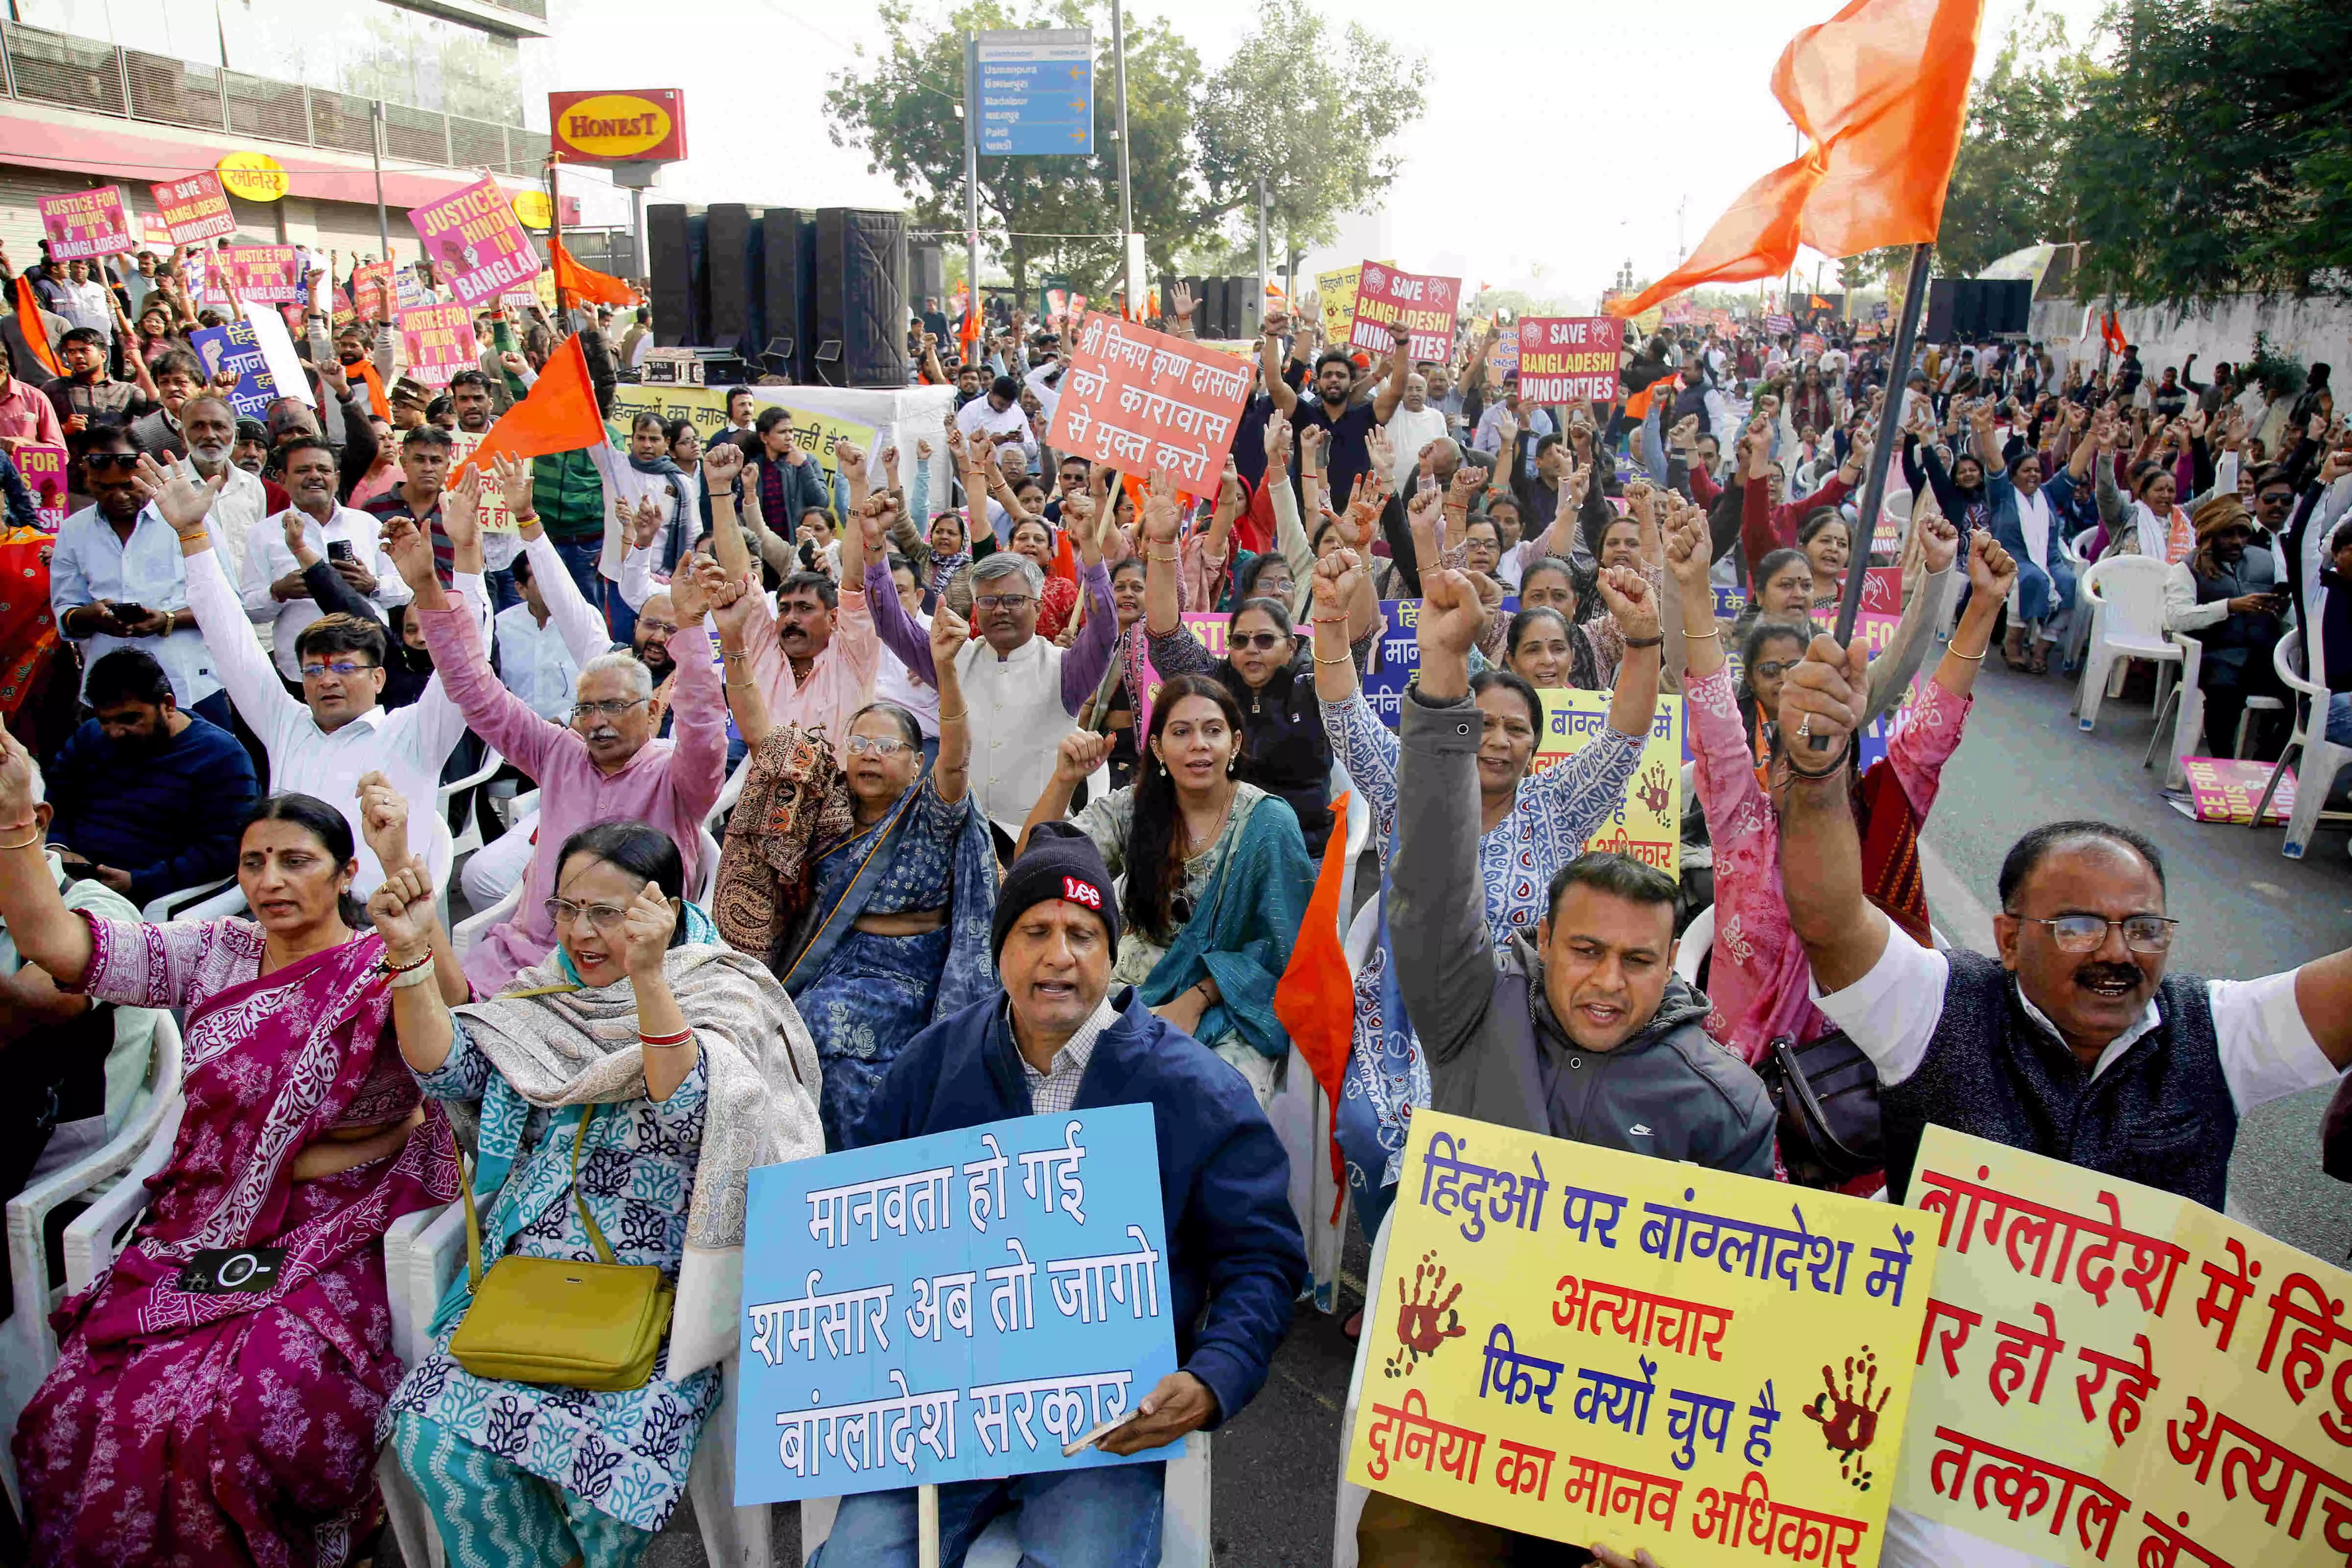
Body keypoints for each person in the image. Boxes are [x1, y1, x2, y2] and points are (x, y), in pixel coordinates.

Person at [1363, 534, 1772, 1563]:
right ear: (1539, 941)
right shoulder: (1471, 1006)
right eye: (1583, 950)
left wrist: (1670, 1500)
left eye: (1638, 960)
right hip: (1462, 1404)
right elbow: (1435, 872)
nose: (1605, 981)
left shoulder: (1725, 1105)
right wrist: (1446, 674)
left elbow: (1742, 1317)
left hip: (1629, 1443)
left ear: (1671, 959)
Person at [0, 761, 461, 1568]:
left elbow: (458, 1046)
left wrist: (412, 910)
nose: (271, 881)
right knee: (83, 1403)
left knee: (243, 1407)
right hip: (204, 1223)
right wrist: (14, 826)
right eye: (254, 862)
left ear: (346, 872)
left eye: (297, 861)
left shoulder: (375, 962)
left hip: (337, 1230)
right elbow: (57, 946)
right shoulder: (216, 952)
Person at [822, 824, 1307, 1567]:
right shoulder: (930, 1070)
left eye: (1083, 933)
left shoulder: (1196, 1091)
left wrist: (1212, 1377)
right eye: (1035, 931)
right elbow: (855, 1232)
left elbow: (1263, 1260)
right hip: (941, 1413)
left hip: (1104, 1422)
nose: (1059, 956)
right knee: (857, 1559)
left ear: (1111, 955)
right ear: (1001, 951)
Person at [377, 814, 822, 1564]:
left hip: (662, 1296)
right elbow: (450, 1071)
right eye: (568, 910)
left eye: (605, 915)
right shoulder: (545, 996)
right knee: (430, 1437)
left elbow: (689, 1114)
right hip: (533, 1279)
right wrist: (412, 958)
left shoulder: (723, 992)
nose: (581, 934)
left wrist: (647, 976)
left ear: (661, 913)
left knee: (605, 1479)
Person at [410, 490, 728, 996]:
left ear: (651, 711)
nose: (597, 722)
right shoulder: (559, 751)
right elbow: (476, 691)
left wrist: (689, 628)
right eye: (586, 709)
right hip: (530, 954)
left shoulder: (675, 774)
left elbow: (706, 730)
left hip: (630, 969)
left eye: (614, 707)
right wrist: (429, 588)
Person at [713, 576, 995, 1145]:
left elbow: (959, 755)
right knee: (751, 1041)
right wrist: (732, 642)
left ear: (916, 763)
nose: (869, 756)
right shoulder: (824, 802)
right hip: (833, 958)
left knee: (821, 1026)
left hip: (911, 972)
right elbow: (762, 736)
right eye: (859, 744)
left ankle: (860, 1175)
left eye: (886, 747)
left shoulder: (931, 809)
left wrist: (945, 669)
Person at [162, 453, 483, 891]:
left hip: (381, 931)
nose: (327, 680)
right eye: (314, 670)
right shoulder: (286, 724)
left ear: (378, 679)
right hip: (288, 921)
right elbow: (229, 637)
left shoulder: (417, 730)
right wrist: (192, 536)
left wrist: (463, 557)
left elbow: (467, 659)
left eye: (345, 668)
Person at [1017, 673, 1314, 1106]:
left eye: (1213, 731)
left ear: (1234, 743)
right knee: (1061, 1087)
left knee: (1208, 1104)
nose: (1199, 744)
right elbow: (1033, 872)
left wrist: (1197, 999)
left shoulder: (1268, 824)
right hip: (1129, 994)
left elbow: (1283, 949)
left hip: (1233, 1005)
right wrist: (1064, 781)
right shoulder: (1135, 810)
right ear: (1157, 747)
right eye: (1181, 732)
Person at [863, 493, 1118, 854]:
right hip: (957, 838)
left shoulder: (1065, 669)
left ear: (1038, 606)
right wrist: (874, 547)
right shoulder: (953, 657)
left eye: (1013, 600)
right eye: (988, 601)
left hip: (1034, 842)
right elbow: (891, 624)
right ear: (976, 607)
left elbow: (1106, 629)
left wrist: (1090, 547)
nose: (1000, 610)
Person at [1138, 477, 1337, 856]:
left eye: (1265, 640)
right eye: (1240, 641)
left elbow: (1354, 645)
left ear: (1291, 645)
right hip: (1221, 849)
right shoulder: (1216, 682)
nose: (1251, 651)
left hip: (1301, 849)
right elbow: (1165, 634)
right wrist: (1163, 544)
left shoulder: (1314, 684)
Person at [703, 441, 881, 754]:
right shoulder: (765, 648)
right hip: (763, 794)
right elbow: (740, 576)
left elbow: (854, 579)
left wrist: (857, 486)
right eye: (784, 609)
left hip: (840, 798)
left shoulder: (852, 654)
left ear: (835, 618)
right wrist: (718, 488)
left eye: (805, 608)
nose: (791, 619)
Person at [47, 647, 256, 907]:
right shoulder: (91, 737)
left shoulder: (221, 757)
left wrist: (139, 881)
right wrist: (58, 848)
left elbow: (225, 849)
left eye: (129, 719)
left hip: (151, 898)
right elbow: (57, 799)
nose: (115, 732)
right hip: (68, 878)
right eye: (105, 721)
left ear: (167, 705)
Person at [49, 426, 230, 728]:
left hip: (189, 687)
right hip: (108, 698)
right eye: (103, 487)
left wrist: (167, 620)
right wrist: (92, 617)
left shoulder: (191, 521)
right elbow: (66, 613)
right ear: (86, 478)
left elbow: (228, 603)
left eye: (127, 485)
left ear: (146, 471)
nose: (118, 496)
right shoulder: (73, 531)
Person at [239, 435, 410, 680]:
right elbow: (251, 609)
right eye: (302, 470)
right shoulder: (263, 534)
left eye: (323, 469)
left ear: (337, 478)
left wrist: (372, 584)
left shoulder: (367, 525)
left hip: (367, 668)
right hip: (302, 674)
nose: (315, 476)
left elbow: (404, 591)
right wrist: (279, 592)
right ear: (282, 479)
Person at [2168, 491, 2290, 757]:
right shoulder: (2187, 569)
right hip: (2216, 656)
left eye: (2243, 534)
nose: (2237, 542)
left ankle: (2264, 764)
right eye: (2229, 534)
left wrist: (2282, 608)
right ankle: (2222, 765)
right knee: (2225, 696)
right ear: (2211, 536)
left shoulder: (2264, 560)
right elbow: (2176, 619)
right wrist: (2229, 607)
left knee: (2305, 701)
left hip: (2262, 655)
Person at [491, 548, 581, 721]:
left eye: (558, 577)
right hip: (515, 732)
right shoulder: (501, 627)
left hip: (574, 732)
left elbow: (600, 686)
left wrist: (563, 721)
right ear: (521, 590)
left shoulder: (585, 619)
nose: (554, 587)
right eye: (543, 581)